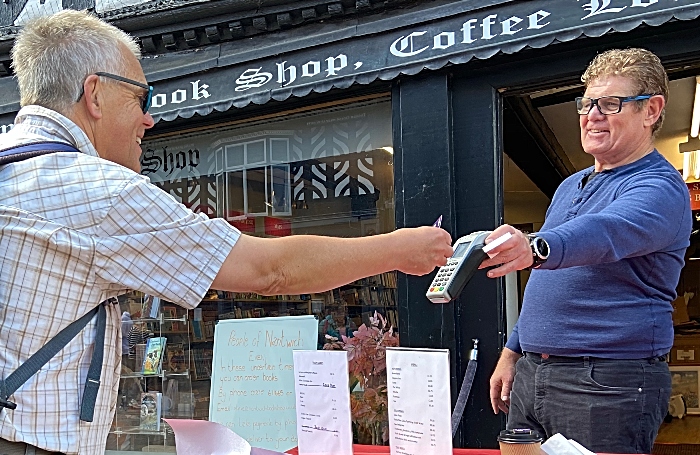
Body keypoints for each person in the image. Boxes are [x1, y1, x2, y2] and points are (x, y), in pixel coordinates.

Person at [0, 10, 452, 455]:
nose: (149, 120)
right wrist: (398, 248)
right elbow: (270, 269)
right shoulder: (99, 193)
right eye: (143, 98)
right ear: (94, 94)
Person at [482, 48, 691, 454]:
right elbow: (548, 279)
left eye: (611, 103)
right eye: (588, 102)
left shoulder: (660, 187)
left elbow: (606, 231)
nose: (592, 114)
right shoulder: (568, 185)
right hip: (533, 373)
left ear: (651, 110)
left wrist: (535, 244)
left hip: (606, 382)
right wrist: (512, 351)